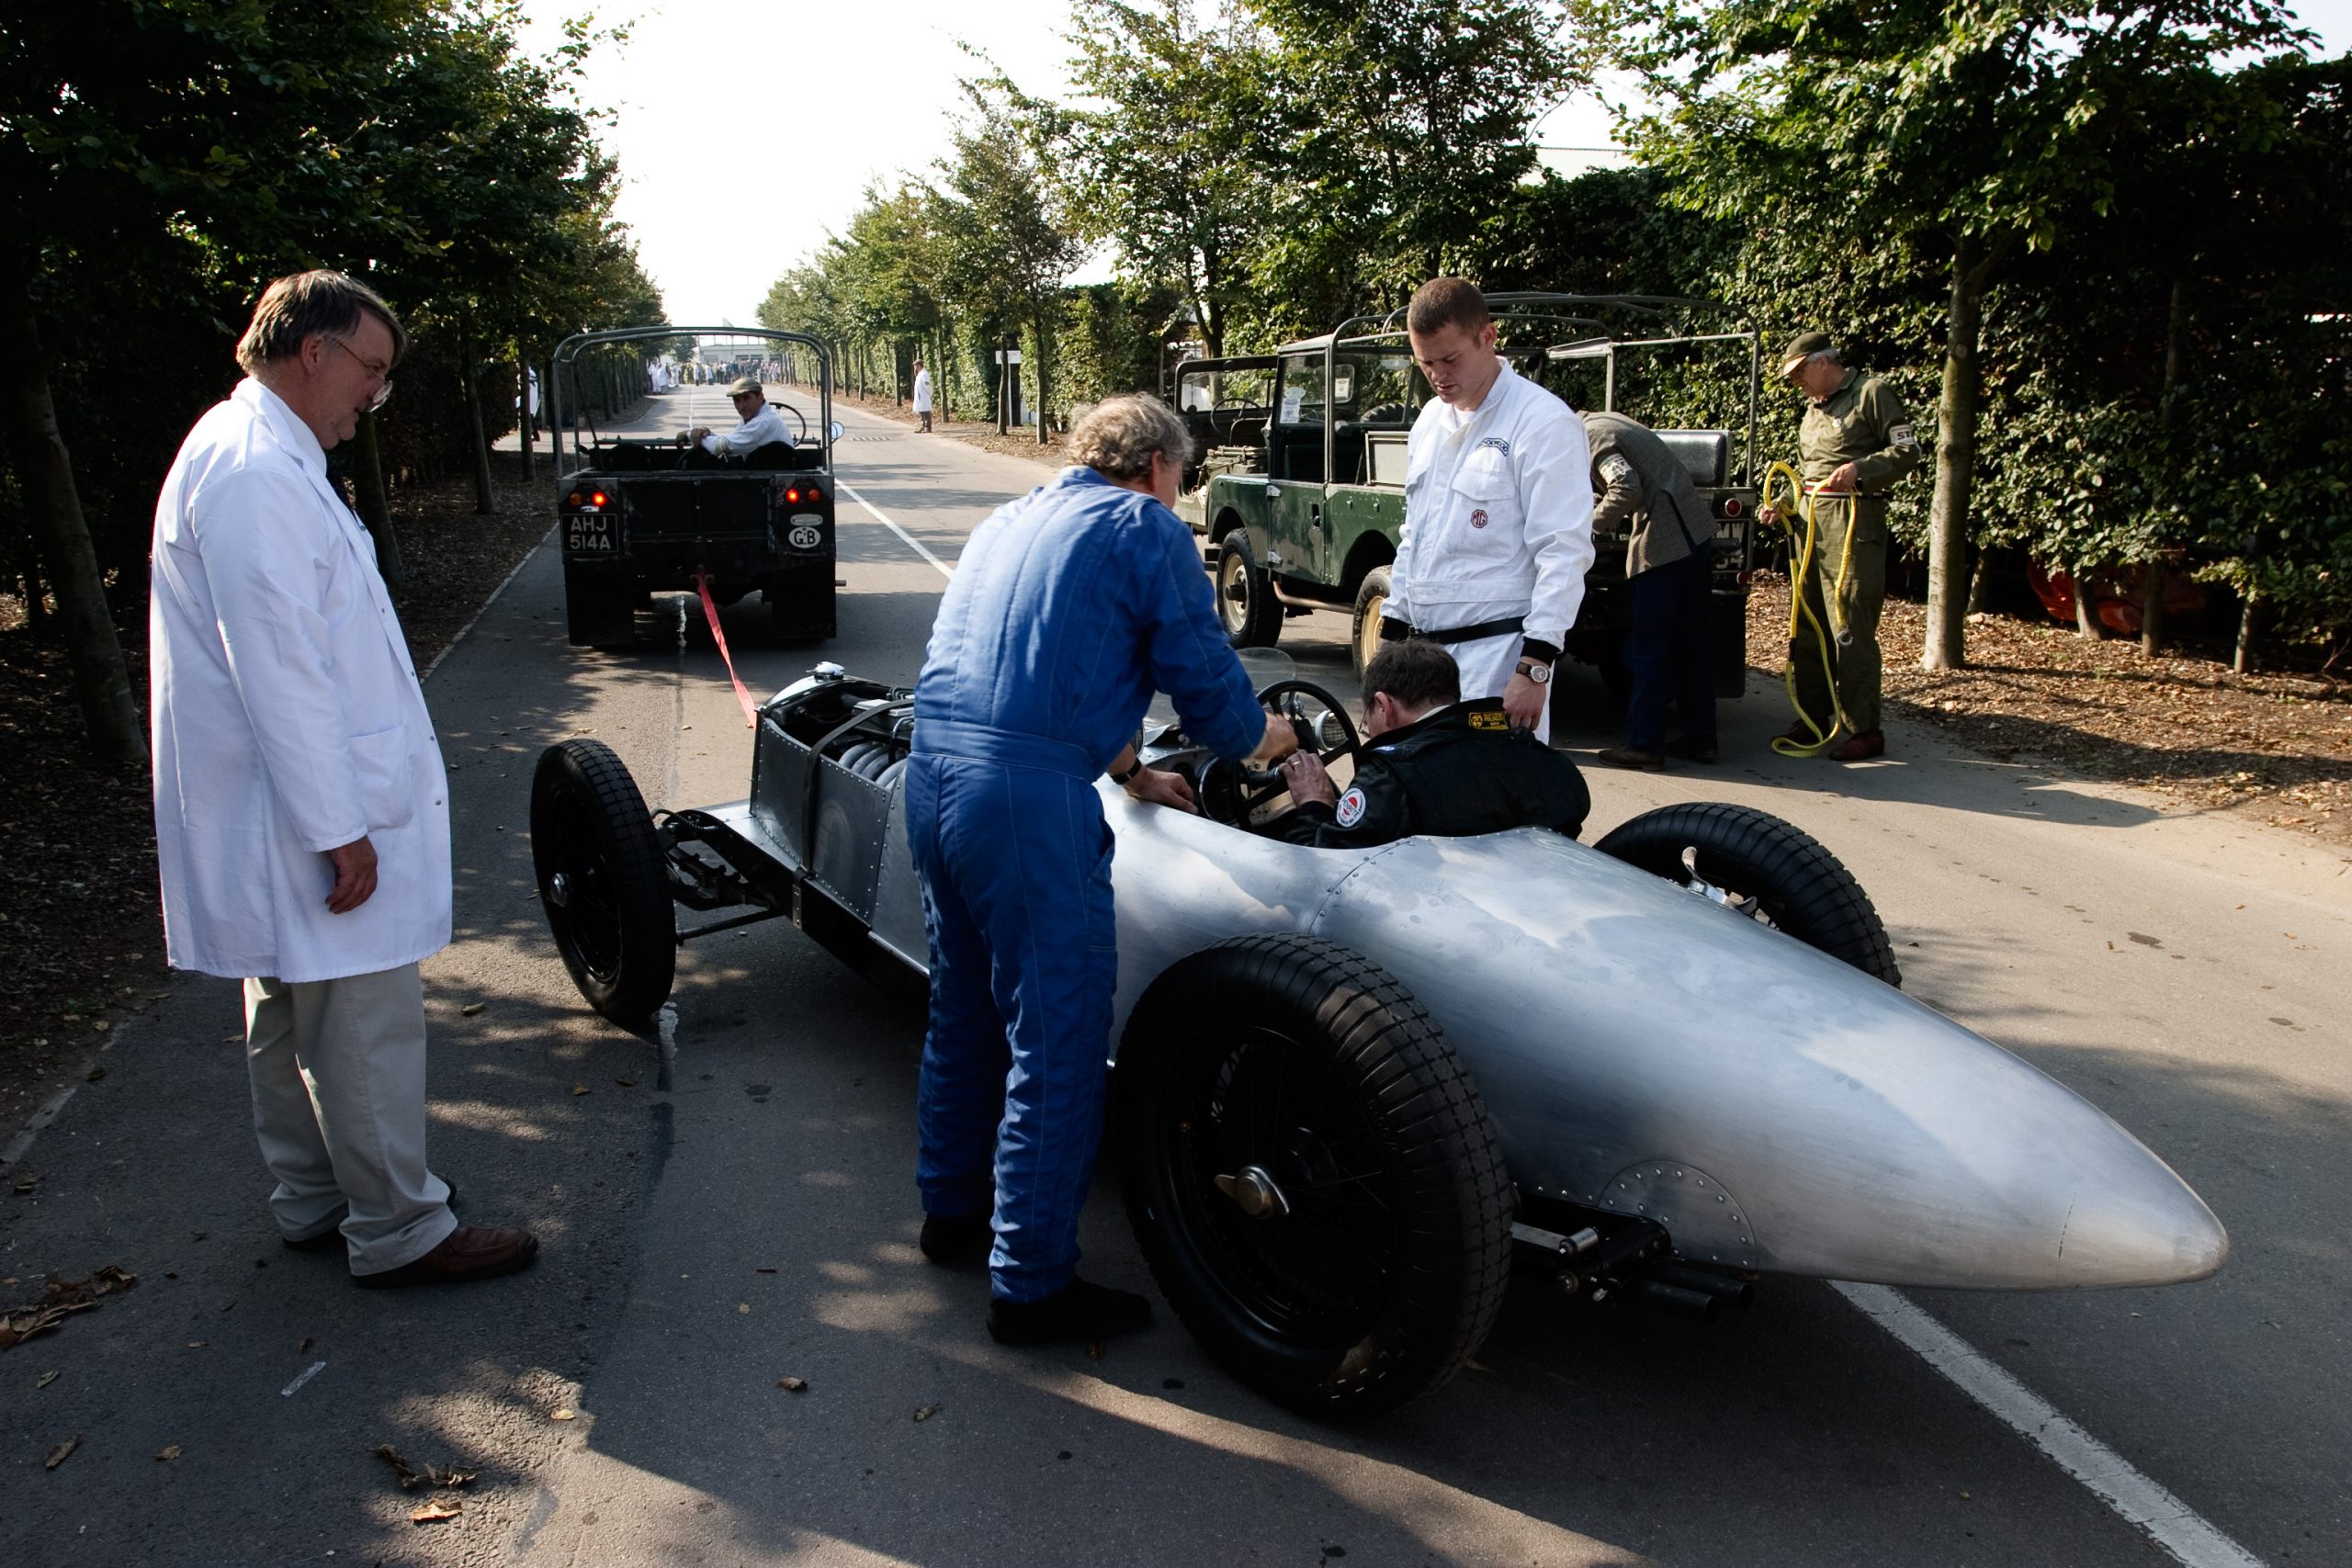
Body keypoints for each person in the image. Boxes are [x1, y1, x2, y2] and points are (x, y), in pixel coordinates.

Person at [149, 270, 537, 1288]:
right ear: (311, 351)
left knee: (288, 1008)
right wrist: (340, 824)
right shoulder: (253, 473)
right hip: (305, 813)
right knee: (359, 1021)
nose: (376, 395)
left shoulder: (258, 456)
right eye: (372, 371)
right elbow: (279, 666)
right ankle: (400, 1227)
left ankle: (318, 1194)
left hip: (282, 806)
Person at [907, 393, 1299, 1347]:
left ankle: (948, 1211)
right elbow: (1206, 688)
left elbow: (1043, 656)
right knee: (1061, 1035)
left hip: (933, 774)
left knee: (963, 1007)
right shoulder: (1146, 528)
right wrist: (1268, 739)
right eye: (1182, 478)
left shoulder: (1012, 518)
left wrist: (1127, 769)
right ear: (1161, 466)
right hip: (1023, 806)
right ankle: (1031, 1286)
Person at [1381, 277, 1595, 744]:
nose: (1438, 375)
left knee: (1488, 803)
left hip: (1496, 662)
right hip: (1423, 666)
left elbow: (1564, 553)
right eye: (1426, 363)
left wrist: (1534, 667)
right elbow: (1413, 538)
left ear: (1488, 337)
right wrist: (1390, 643)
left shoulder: (1541, 423)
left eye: (1450, 359)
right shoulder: (1429, 423)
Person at [1272, 640, 1589, 849]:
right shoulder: (1535, 757)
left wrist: (1314, 802)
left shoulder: (1391, 778)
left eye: (1367, 718)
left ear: (1384, 705)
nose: (1369, 729)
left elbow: (1324, 862)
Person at [1774, 331, 1923, 761]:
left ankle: (1864, 729)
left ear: (1823, 362)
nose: (1797, 381)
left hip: (1854, 524)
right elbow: (1809, 473)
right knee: (1808, 626)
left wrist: (1861, 467)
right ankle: (1814, 716)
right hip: (1810, 525)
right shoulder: (1812, 409)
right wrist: (1783, 503)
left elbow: (1907, 452)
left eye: (1801, 372)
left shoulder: (1871, 393)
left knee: (1849, 628)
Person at [1585, 411, 1720, 770]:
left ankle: (1644, 745)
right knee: (1689, 644)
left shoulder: (1590, 438)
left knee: (1647, 649)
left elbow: (1626, 486)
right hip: (1695, 535)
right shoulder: (1608, 420)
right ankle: (1701, 738)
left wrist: (1587, 526)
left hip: (1664, 544)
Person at [689, 376, 793, 457]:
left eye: (747, 398)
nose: (741, 406)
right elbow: (733, 440)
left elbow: (724, 447)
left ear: (760, 397)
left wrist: (690, 435)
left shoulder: (763, 422)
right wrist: (706, 433)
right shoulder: (756, 416)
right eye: (736, 400)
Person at [912, 359, 934, 433]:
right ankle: (923, 426)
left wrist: (929, 393)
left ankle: (928, 427)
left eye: (915, 366)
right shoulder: (920, 374)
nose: (915, 368)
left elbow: (927, 385)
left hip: (924, 396)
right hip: (920, 397)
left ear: (919, 366)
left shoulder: (924, 374)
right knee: (922, 412)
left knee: (925, 412)